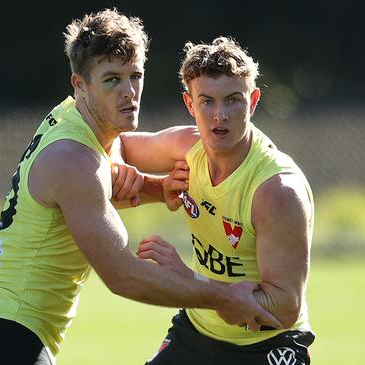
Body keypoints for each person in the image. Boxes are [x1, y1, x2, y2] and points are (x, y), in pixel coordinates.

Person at [0, 11, 282, 365]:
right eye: (112, 79)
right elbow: (123, 276)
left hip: (6, 337)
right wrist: (222, 296)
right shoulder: (74, 159)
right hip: (9, 343)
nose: (129, 92)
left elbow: (116, 164)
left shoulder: (77, 123)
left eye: (135, 76)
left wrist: (157, 189)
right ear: (79, 84)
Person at [116, 37, 316, 364]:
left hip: (266, 344)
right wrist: (152, 185)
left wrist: (189, 281)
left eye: (233, 100)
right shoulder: (186, 146)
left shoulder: (277, 190)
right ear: (189, 104)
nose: (219, 115)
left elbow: (284, 307)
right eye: (207, 101)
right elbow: (114, 147)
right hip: (196, 333)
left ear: (253, 101)